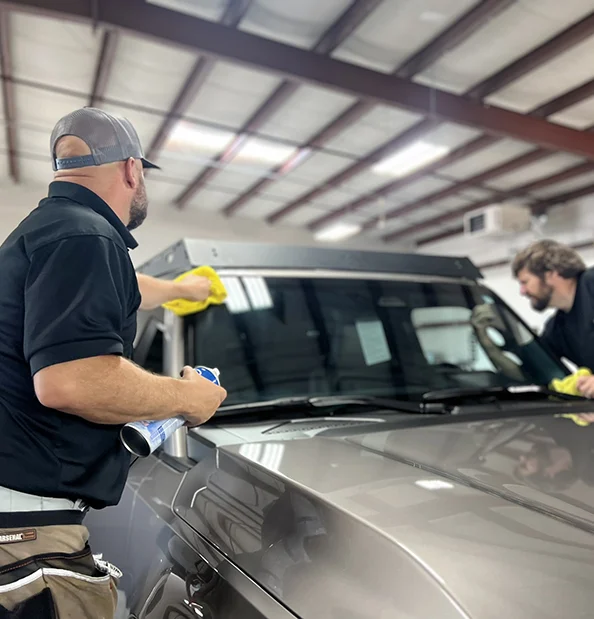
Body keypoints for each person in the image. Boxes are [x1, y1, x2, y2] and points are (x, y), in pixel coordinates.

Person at [0, 108, 227, 617]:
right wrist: (188, 398)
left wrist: (181, 290)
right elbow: (71, 381)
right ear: (131, 170)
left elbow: (116, 287)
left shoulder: (54, 230)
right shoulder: (85, 236)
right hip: (24, 537)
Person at [511, 239, 594, 397]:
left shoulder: (591, 283)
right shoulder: (556, 329)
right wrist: (489, 342)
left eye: (525, 282)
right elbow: (532, 371)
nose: (522, 291)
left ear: (551, 274)